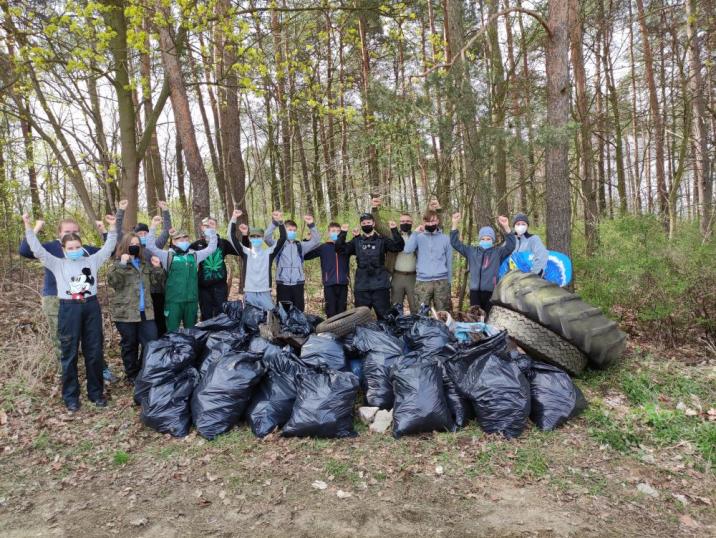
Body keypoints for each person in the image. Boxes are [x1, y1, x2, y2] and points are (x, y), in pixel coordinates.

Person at [22, 212, 118, 412]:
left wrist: (112, 227)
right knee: (69, 353)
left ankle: (95, 393)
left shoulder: (92, 260)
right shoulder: (57, 263)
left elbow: (109, 247)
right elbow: (36, 250)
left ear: (82, 247)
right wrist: (29, 226)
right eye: (70, 248)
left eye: (77, 247)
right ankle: (71, 397)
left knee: (94, 351)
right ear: (64, 250)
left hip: (90, 306)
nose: (74, 250)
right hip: (68, 308)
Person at [107, 233, 165, 384]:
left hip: (146, 311)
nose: (135, 246)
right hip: (126, 313)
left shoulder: (145, 263)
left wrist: (158, 268)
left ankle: (143, 370)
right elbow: (114, 283)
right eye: (131, 243)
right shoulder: (117, 264)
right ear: (125, 245)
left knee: (151, 342)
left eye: (137, 244)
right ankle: (131, 374)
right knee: (130, 344)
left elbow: (156, 283)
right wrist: (122, 264)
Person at [144, 218, 217, 331]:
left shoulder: (195, 255)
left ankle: (190, 349)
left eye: (185, 237)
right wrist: (153, 226)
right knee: (172, 332)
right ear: (173, 241)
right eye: (178, 238)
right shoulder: (167, 256)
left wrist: (212, 231)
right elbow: (150, 246)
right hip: (173, 302)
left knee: (191, 332)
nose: (182, 240)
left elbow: (212, 248)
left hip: (191, 301)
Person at [335, 213, 404, 319]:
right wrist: (343, 233)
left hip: (380, 286)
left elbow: (398, 246)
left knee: (385, 318)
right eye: (363, 223)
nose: (366, 225)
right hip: (362, 287)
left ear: (373, 223)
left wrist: (394, 229)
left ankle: (385, 336)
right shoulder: (357, 241)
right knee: (360, 319)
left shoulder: (382, 240)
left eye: (368, 223)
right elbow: (340, 249)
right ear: (360, 225)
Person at [450, 213, 515, 313]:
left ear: (492, 240)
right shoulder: (471, 251)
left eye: (488, 239)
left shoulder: (498, 252)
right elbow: (455, 243)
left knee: (489, 319)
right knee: (475, 318)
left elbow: (511, 246)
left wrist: (506, 226)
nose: (485, 241)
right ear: (479, 240)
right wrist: (454, 224)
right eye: (483, 239)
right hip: (474, 292)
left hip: (491, 291)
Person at [124, 200, 172, 336]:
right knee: (145, 325)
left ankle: (162, 345)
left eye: (146, 233)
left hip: (157, 291)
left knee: (160, 320)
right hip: (140, 293)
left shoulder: (155, 245)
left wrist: (165, 210)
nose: (143, 236)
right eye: (140, 234)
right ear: (135, 236)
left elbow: (166, 231)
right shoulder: (131, 249)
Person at [228, 209, 286, 311]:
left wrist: (280, 221)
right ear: (250, 239)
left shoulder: (269, 253)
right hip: (249, 293)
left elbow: (283, 238)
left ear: (262, 238)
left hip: (265, 292)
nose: (256, 239)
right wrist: (234, 218)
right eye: (253, 237)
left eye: (258, 237)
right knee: (249, 321)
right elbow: (231, 237)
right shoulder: (246, 252)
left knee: (271, 318)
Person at [263, 212, 320, 312]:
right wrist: (275, 222)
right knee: (283, 313)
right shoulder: (278, 244)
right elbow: (267, 238)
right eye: (290, 230)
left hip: (298, 284)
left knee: (298, 312)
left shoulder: (300, 245)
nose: (292, 232)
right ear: (285, 230)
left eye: (294, 230)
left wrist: (311, 224)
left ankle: (299, 328)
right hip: (283, 284)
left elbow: (316, 241)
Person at [371, 198, 418, 313]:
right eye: (402, 221)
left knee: (415, 307)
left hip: (414, 277)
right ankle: (397, 330)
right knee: (396, 307)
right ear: (399, 223)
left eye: (408, 221)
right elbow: (378, 226)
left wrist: (438, 210)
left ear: (412, 223)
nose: (405, 223)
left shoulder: (418, 236)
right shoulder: (392, 235)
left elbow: (436, 227)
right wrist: (374, 208)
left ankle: (418, 329)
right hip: (396, 276)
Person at [190, 215, 240, 320]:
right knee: (206, 315)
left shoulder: (223, 243)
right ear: (202, 227)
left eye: (211, 224)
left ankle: (220, 335)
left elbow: (239, 250)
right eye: (206, 225)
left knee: (221, 315)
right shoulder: (197, 244)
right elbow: (180, 252)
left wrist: (243, 236)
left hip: (220, 287)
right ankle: (206, 335)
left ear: (216, 226)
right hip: (203, 287)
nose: (209, 227)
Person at [403, 209, 453, 312]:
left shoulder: (445, 238)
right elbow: (407, 250)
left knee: (443, 313)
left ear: (438, 221)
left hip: (441, 282)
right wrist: (415, 233)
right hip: (423, 282)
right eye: (428, 222)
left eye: (433, 221)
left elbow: (449, 261)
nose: (431, 224)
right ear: (424, 222)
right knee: (421, 313)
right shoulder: (418, 237)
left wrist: (449, 282)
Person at [304, 222, 351, 317]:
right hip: (329, 283)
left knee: (342, 310)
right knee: (331, 310)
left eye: (338, 231)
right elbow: (306, 256)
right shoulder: (323, 247)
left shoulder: (346, 247)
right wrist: (307, 241)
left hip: (343, 283)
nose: (336, 233)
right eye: (333, 231)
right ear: (328, 233)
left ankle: (342, 331)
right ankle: (330, 330)